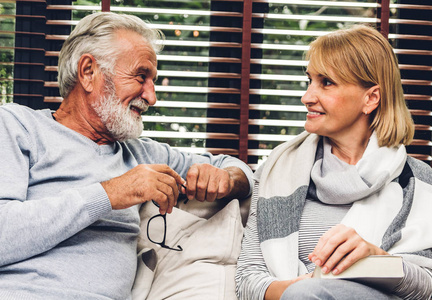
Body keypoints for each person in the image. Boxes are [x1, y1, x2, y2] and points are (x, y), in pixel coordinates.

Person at [0, 12, 253, 299]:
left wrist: (226, 179)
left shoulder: (141, 154)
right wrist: (110, 193)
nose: (151, 97)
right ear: (87, 72)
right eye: (140, 77)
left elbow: (240, 171)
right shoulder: (17, 126)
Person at [235, 24, 432, 300]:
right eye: (309, 81)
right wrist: (306, 289)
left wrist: (376, 258)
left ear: (371, 98)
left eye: (326, 82)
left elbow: (427, 287)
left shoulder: (416, 181)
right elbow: (247, 281)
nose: (307, 97)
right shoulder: (277, 171)